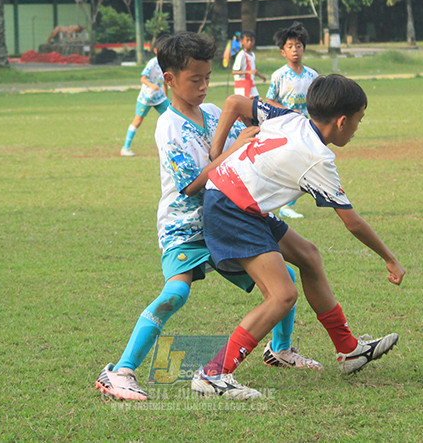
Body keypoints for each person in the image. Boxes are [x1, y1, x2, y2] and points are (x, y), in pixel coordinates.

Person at [95, 32, 322, 402]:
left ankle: (280, 351)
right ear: (169, 80)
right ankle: (119, 371)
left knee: (286, 275)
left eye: (207, 77)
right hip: (184, 228)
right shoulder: (168, 127)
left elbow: (249, 143)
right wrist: (234, 148)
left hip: (224, 222)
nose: (203, 86)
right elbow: (192, 185)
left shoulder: (215, 113)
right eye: (194, 79)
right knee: (175, 293)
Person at [191, 75, 405, 399]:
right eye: (358, 121)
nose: (358, 129)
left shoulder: (289, 118)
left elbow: (235, 103)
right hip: (232, 208)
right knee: (282, 296)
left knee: (308, 255)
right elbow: (353, 223)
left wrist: (216, 154)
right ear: (342, 121)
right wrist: (390, 258)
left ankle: (349, 350)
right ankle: (213, 373)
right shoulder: (318, 158)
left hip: (238, 200)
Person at [266, 21, 319, 220]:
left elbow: (317, 101)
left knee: (307, 164)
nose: (295, 50)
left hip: (306, 128)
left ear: (304, 49)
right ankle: (278, 203)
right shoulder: (279, 76)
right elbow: (269, 99)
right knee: (285, 165)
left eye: (298, 46)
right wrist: (286, 112)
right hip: (286, 127)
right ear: (283, 52)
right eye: (290, 47)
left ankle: (288, 204)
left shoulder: (312, 75)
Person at [120, 33, 171, 157]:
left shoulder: (167, 63)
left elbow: (165, 81)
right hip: (146, 97)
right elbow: (143, 79)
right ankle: (125, 148)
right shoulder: (152, 63)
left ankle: (171, 147)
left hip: (159, 98)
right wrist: (151, 85)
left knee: (172, 116)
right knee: (138, 120)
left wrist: (166, 95)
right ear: (155, 51)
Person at [232, 29, 265, 97]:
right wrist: (248, 72)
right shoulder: (241, 55)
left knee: (256, 102)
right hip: (242, 85)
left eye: (251, 40)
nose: (249, 42)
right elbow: (234, 72)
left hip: (251, 83)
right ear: (242, 41)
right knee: (245, 105)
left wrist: (261, 77)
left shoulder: (252, 54)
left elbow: (253, 71)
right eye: (247, 40)